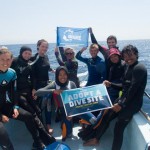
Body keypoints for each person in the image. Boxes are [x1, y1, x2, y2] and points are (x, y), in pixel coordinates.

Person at [83, 45, 147, 150]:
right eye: (125, 56)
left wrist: (121, 104)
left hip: (133, 104)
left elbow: (133, 89)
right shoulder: (128, 67)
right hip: (124, 99)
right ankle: (96, 139)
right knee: (106, 116)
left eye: (130, 55)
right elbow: (124, 86)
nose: (127, 58)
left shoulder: (139, 68)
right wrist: (111, 84)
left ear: (136, 54)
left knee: (118, 129)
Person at [0, 47, 55, 150]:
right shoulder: (16, 63)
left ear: (11, 60)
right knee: (4, 137)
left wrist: (15, 106)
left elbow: (14, 91)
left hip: (9, 105)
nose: (5, 62)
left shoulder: (11, 73)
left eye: (8, 59)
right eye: (2, 59)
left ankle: (38, 142)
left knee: (30, 115)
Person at [35, 66, 76, 141]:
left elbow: (78, 99)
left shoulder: (72, 84)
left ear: (67, 74)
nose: (62, 77)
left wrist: (73, 113)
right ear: (56, 76)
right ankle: (63, 122)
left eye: (64, 74)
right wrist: (53, 91)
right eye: (60, 75)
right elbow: (38, 92)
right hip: (62, 110)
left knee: (92, 119)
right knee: (69, 134)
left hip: (73, 109)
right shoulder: (55, 84)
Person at [31, 39, 54, 134]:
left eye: (46, 47)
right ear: (38, 46)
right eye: (43, 46)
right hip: (37, 86)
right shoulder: (33, 58)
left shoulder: (46, 57)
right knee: (38, 108)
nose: (45, 48)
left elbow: (46, 67)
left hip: (47, 84)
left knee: (48, 104)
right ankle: (40, 126)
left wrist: (52, 70)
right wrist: (33, 88)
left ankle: (48, 124)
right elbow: (32, 75)